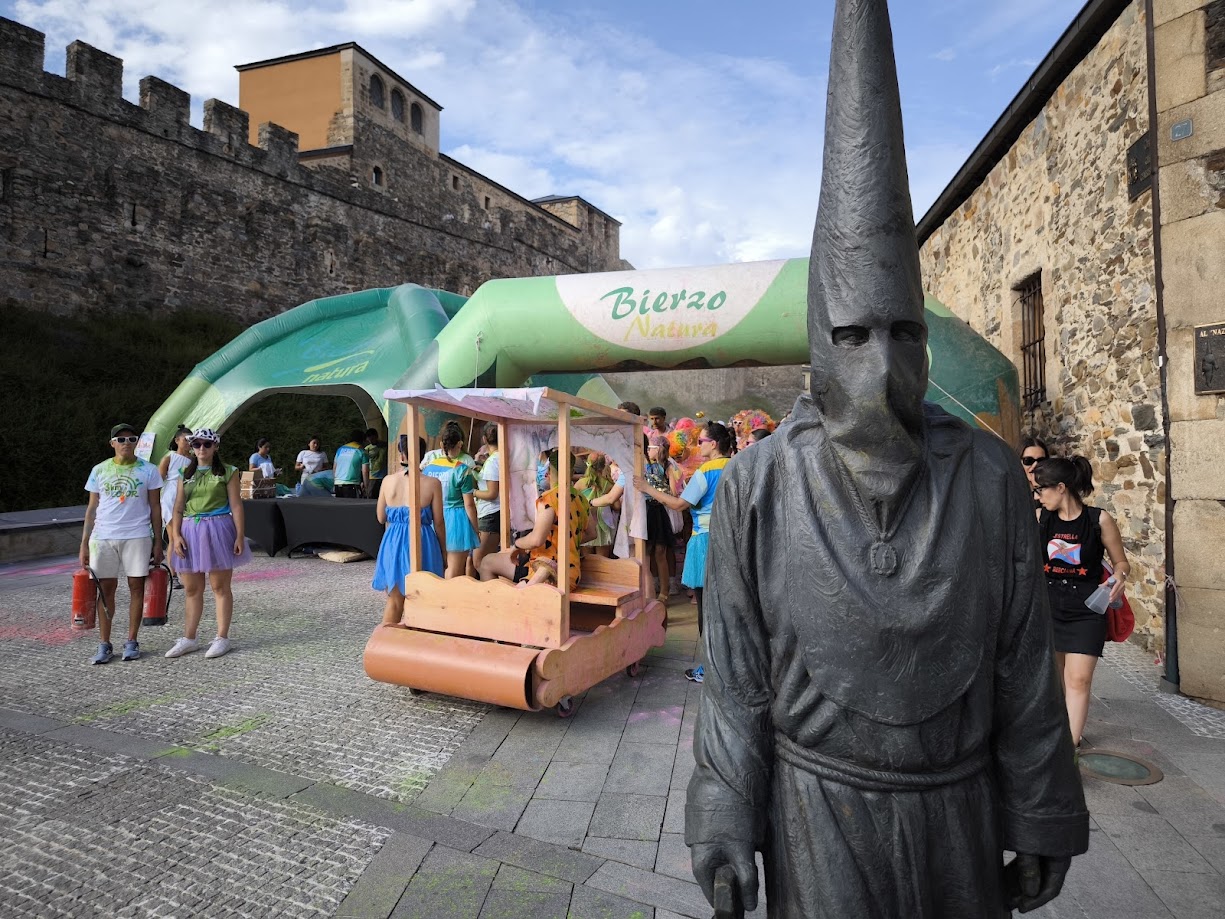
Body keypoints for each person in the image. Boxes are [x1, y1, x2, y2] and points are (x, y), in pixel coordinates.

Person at [685, 3, 1087, 915]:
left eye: (904, 333)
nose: (881, 364)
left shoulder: (986, 477)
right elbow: (736, 674)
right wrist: (722, 816)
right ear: (818, 346)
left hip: (958, 806)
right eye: (853, 334)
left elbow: (1023, 662)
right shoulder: (759, 482)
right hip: (813, 808)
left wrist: (1041, 810)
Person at [1033, 455, 1130, 750]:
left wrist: (1118, 578)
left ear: (1061, 487)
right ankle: (1057, 732)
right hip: (1048, 607)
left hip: (1087, 610)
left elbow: (1121, 562)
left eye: (1041, 489)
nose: (1038, 495)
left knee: (1078, 680)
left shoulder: (1098, 520)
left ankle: (1069, 748)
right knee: (1056, 682)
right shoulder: (1040, 518)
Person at [634, 421, 731, 671]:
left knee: (706, 607)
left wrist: (647, 488)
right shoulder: (736, 466)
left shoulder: (706, 471)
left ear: (715, 444)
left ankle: (709, 668)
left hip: (705, 539)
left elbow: (679, 505)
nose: (698, 447)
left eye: (702, 442)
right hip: (731, 539)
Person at [80, 423, 164, 664]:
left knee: (136, 587)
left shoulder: (149, 470)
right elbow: (92, 508)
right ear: (112, 443)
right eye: (121, 439)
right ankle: (104, 643)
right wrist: (84, 543)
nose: (126, 443)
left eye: (131, 439)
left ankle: (132, 640)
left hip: (137, 535)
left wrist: (159, 542)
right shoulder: (99, 470)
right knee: (106, 591)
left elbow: (156, 508)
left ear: (137, 442)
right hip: (103, 537)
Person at [166, 428, 250, 659]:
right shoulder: (185, 472)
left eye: (206, 444)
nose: (201, 448)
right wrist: (176, 536)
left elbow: (236, 505)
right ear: (191, 447)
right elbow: (178, 507)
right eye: (196, 444)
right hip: (190, 530)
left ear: (216, 447)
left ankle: (222, 638)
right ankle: (189, 638)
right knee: (192, 589)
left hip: (218, 528)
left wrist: (240, 535)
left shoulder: (229, 472)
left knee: (220, 587)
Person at [478, 449, 592, 589]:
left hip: (546, 569)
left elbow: (537, 539)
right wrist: (567, 539)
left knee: (486, 562)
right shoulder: (582, 499)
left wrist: (517, 545)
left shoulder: (549, 499)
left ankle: (494, 607)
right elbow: (592, 533)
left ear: (548, 472)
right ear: (572, 472)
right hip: (572, 571)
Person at [374, 436, 446, 624]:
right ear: (422, 455)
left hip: (393, 540)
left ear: (402, 454)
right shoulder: (432, 483)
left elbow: (381, 517)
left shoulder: (388, 481)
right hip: (422, 540)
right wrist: (444, 553)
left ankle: (387, 646)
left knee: (394, 600)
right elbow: (439, 522)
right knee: (424, 599)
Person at [422, 425, 479, 578]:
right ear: (460, 444)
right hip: (456, 520)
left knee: (436, 567)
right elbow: (469, 505)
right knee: (455, 571)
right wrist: (475, 529)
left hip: (433, 518)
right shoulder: (463, 469)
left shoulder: (428, 469)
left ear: (441, 445)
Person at [642, 433, 685, 602]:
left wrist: (661, 491)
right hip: (648, 510)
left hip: (660, 510)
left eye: (650, 448)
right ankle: (652, 590)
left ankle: (664, 592)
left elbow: (674, 492)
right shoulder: (644, 466)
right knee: (648, 552)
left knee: (660, 551)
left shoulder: (668, 466)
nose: (648, 451)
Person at [158, 425, 193, 587]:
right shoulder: (169, 458)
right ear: (177, 440)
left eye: (190, 441)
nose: (188, 443)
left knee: (186, 535)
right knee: (173, 536)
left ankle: (187, 569)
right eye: (185, 440)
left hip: (187, 497)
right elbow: (158, 480)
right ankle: (173, 575)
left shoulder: (194, 459)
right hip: (171, 497)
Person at [471, 422, 501, 572]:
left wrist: (473, 493)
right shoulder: (501, 457)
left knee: (479, 562)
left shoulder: (492, 462)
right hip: (497, 513)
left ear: (484, 439)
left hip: (490, 513)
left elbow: (492, 493)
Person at [576, 452, 616, 558]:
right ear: (603, 467)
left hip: (586, 523)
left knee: (586, 561)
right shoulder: (608, 484)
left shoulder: (580, 483)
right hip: (602, 524)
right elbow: (617, 506)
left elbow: (574, 502)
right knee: (603, 562)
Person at [333, 430, 370, 498]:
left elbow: (334, 468)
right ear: (363, 440)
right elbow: (365, 471)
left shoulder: (340, 449)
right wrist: (366, 487)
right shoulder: (362, 451)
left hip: (338, 483)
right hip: (352, 484)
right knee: (352, 507)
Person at [1020, 433, 1051, 506]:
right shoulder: (1010, 491)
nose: (1035, 465)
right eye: (1028, 460)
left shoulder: (1053, 491)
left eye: (1041, 461)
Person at [365, 428, 389, 501]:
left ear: (376, 436)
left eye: (372, 438)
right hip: (372, 476)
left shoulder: (385, 445)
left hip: (383, 475)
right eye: (369, 439)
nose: (371, 440)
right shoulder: (367, 448)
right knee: (371, 496)